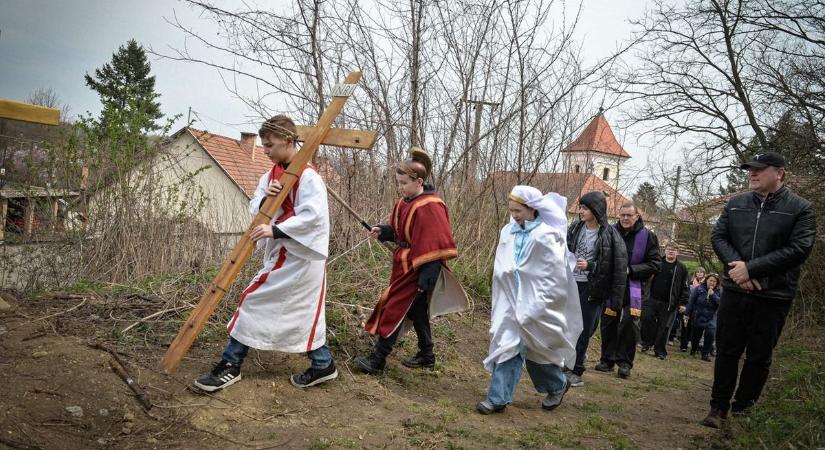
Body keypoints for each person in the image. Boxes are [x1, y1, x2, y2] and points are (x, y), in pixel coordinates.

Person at [193, 115, 337, 392]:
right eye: (264, 145)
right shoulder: (270, 175)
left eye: (270, 145)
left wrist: (276, 230)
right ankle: (323, 364)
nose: (266, 151)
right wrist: (266, 199)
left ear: (288, 140)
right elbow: (255, 204)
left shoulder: (308, 177)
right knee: (298, 312)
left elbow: (314, 217)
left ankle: (231, 363)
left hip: (301, 257)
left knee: (253, 301)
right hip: (281, 254)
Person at [702, 152, 816, 428]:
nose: (752, 173)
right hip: (735, 291)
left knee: (759, 356)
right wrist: (738, 271)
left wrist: (752, 270)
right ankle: (718, 408)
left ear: (779, 173)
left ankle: (743, 412)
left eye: (759, 169)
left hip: (773, 295)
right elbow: (718, 236)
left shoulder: (801, 208)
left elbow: (799, 249)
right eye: (750, 169)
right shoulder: (736, 203)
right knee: (727, 351)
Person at [477, 186, 582, 414]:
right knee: (508, 343)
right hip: (509, 300)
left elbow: (554, 275)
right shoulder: (508, 232)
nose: (514, 215)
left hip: (538, 303)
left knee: (536, 348)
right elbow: (501, 265)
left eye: (518, 211)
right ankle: (498, 398)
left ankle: (557, 384)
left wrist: (539, 303)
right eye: (511, 210)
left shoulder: (547, 235)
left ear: (532, 208)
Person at [354, 148, 460, 375]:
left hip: (419, 268)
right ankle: (427, 355)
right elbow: (403, 232)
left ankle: (377, 360)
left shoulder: (431, 205)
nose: (400, 187)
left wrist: (427, 276)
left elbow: (435, 245)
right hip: (402, 265)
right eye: (398, 182)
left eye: (404, 183)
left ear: (419, 181)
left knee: (395, 308)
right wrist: (384, 231)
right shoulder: (405, 202)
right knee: (417, 310)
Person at [565, 192, 628, 387]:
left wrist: (590, 266)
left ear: (595, 210)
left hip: (592, 289)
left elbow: (615, 267)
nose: (581, 211)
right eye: (581, 207)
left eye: (585, 208)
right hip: (571, 284)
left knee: (584, 329)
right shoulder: (575, 227)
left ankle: (576, 371)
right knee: (568, 327)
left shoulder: (609, 235)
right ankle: (565, 364)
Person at [595, 202, 661, 379]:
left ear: (637, 216)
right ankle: (607, 360)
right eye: (622, 215)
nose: (625, 218)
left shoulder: (648, 237)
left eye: (629, 215)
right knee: (609, 322)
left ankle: (624, 362)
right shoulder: (609, 232)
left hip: (634, 288)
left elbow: (655, 264)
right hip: (611, 287)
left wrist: (631, 270)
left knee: (630, 323)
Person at [640, 242, 690, 360]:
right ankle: (647, 343)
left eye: (673, 249)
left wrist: (683, 303)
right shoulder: (657, 263)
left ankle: (660, 351)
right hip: (652, 299)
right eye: (669, 249)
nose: (671, 251)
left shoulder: (681, 268)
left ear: (677, 252)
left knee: (664, 328)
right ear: (665, 250)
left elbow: (685, 287)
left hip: (669, 303)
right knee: (646, 319)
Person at [685, 273, 721, 361]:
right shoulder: (699, 289)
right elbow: (691, 301)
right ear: (706, 280)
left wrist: (713, 295)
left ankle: (705, 353)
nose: (712, 283)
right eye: (710, 280)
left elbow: (720, 304)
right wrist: (687, 313)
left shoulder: (719, 291)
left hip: (711, 316)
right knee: (696, 334)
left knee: (710, 333)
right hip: (698, 314)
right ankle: (694, 349)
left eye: (714, 281)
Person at [676, 267, 707, 349]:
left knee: (694, 326)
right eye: (698, 272)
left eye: (701, 272)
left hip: (698, 308)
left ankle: (692, 341)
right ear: (695, 273)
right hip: (688, 306)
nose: (699, 273)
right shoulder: (690, 283)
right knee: (685, 325)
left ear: (704, 274)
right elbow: (686, 293)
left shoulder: (705, 285)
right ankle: (683, 345)